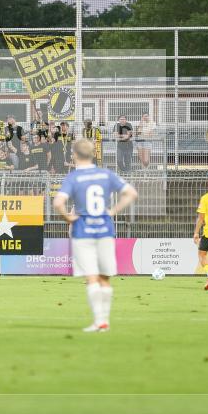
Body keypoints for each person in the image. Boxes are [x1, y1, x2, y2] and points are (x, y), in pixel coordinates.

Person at [53, 138, 138, 333]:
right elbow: (131, 193)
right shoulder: (106, 174)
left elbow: (58, 203)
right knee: (105, 278)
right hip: (105, 229)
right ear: (93, 154)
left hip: (83, 230)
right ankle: (104, 321)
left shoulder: (74, 177)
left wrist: (68, 217)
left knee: (91, 277)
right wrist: (113, 211)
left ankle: (99, 321)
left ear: (74, 155)